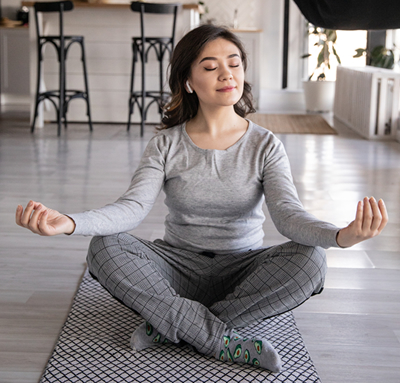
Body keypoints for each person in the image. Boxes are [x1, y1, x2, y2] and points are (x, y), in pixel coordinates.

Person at [15, 24, 388, 373]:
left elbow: (288, 216)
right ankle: (220, 338)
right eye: (210, 67)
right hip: (175, 268)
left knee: (311, 259)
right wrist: (70, 223)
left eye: (234, 63)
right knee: (104, 248)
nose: (227, 74)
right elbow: (131, 209)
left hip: (242, 269)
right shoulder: (165, 143)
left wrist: (339, 236)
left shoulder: (265, 145)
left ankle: (172, 324)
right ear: (189, 82)